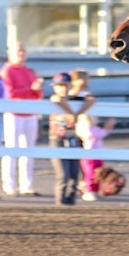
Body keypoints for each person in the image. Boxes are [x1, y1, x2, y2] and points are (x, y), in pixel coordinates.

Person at [0, 44, 43, 197]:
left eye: (22, 50)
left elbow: (38, 95)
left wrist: (35, 91)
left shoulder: (30, 71)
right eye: (17, 50)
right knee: (11, 149)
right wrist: (31, 90)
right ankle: (10, 185)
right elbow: (11, 93)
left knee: (28, 150)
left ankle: (27, 185)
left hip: (30, 114)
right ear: (10, 53)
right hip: (13, 114)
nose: (21, 53)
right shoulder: (7, 71)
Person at [47, 73, 84, 205]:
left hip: (72, 139)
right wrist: (72, 113)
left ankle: (71, 202)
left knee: (74, 176)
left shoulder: (75, 100)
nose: (62, 88)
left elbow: (91, 99)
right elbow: (58, 100)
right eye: (59, 86)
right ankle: (60, 203)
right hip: (57, 140)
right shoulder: (55, 99)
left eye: (65, 85)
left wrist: (77, 113)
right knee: (63, 175)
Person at [75, 113, 117, 201]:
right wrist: (109, 125)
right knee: (91, 174)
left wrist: (108, 126)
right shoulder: (89, 130)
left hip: (95, 156)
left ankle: (91, 190)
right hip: (90, 157)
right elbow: (102, 133)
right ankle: (89, 191)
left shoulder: (91, 129)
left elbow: (103, 133)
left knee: (97, 174)